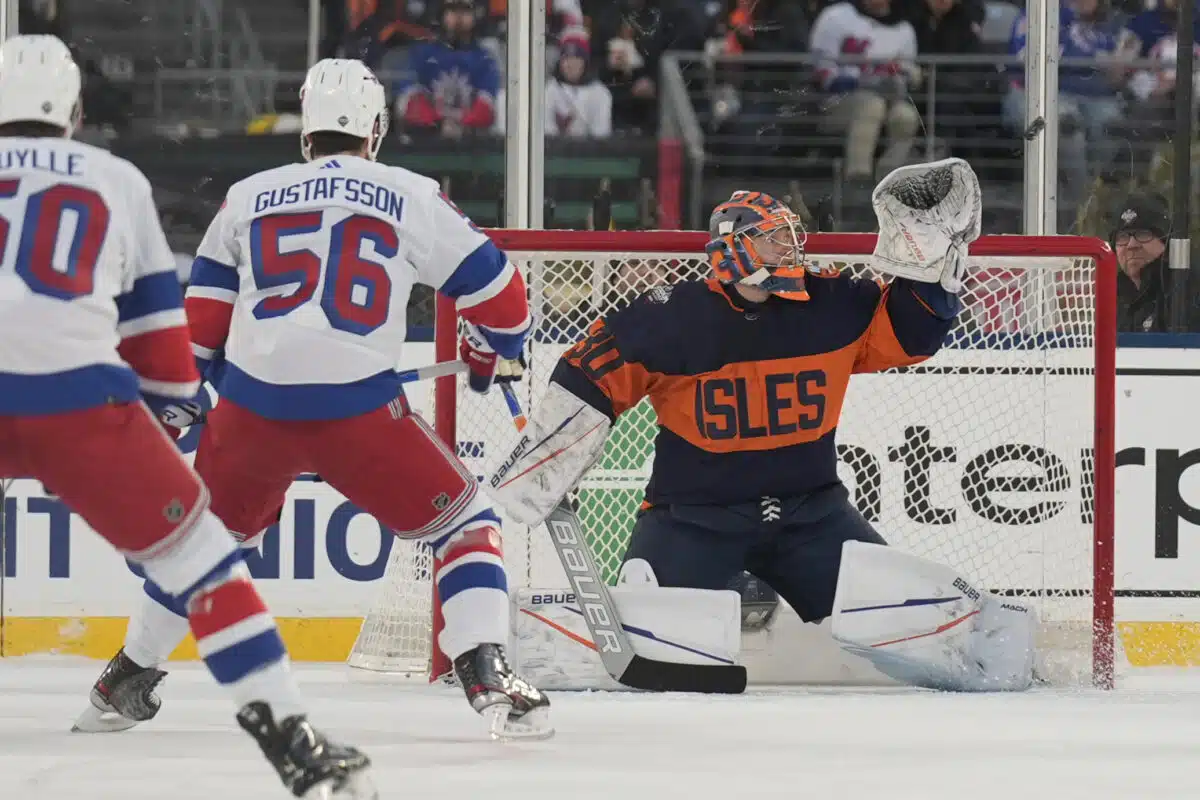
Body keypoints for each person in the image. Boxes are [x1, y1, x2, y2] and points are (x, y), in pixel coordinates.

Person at [79, 57, 551, 741]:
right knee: (467, 522)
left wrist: (182, 416)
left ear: (306, 133)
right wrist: (494, 341)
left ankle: (126, 675)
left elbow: (198, 334)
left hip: (250, 410)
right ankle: (484, 665)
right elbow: (506, 302)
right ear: (376, 131)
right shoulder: (411, 193)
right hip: (358, 410)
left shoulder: (246, 195)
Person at [486, 161, 1044, 693]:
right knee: (645, 620)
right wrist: (547, 458)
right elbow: (591, 370)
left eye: (792, 236)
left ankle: (1001, 650)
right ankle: (492, 641)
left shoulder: (830, 303)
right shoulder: (671, 319)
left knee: (908, 615)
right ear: (733, 246)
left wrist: (929, 263)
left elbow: (914, 335)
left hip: (813, 517)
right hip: (693, 520)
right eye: (776, 238)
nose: (792, 248)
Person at [0, 35, 373, 797]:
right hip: (79, 398)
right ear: (72, 113)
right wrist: (175, 407)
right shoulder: (115, 179)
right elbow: (158, 337)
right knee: (202, 560)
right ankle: (291, 741)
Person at [1112, 191, 1200, 333]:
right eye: (1122, 236)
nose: (1131, 245)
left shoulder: (1186, 292)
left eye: (1143, 234)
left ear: (1165, 241)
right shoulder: (1113, 298)